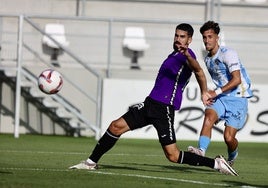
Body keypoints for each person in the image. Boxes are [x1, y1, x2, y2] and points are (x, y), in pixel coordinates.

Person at [69, 23, 238, 176]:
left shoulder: (188, 55)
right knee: (115, 126)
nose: (178, 39)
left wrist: (203, 92)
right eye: (176, 35)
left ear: (189, 40)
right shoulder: (173, 55)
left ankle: (216, 163)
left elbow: (199, 71)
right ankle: (91, 162)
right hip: (150, 103)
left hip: (163, 109)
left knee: (173, 155)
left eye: (182, 37)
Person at [188, 21, 252, 167]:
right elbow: (219, 81)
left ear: (217, 37)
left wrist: (214, 92)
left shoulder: (228, 54)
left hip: (238, 98)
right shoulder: (208, 59)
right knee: (209, 117)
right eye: (204, 37)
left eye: (210, 37)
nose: (207, 40)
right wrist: (209, 95)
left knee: (229, 138)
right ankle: (201, 151)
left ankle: (232, 155)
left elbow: (237, 80)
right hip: (222, 98)